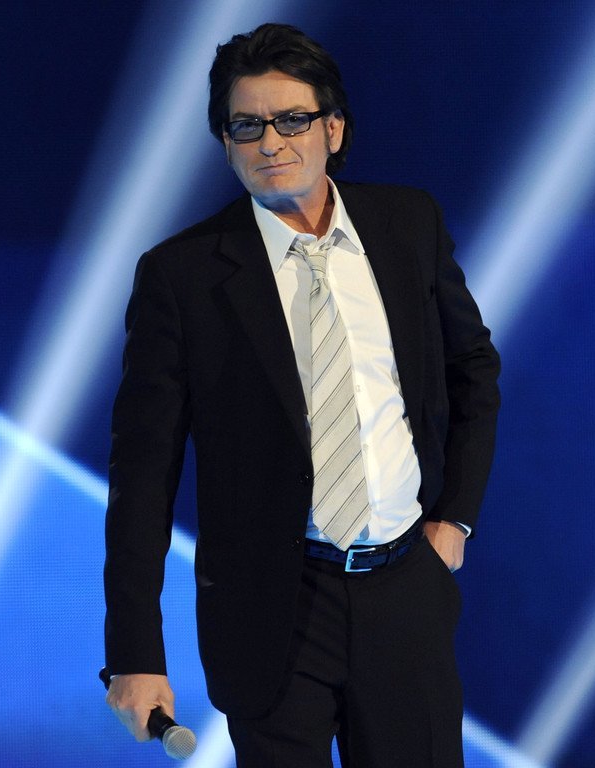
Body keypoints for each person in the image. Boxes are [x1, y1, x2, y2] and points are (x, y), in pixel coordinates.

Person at [103, 22, 501, 768]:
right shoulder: (182, 275)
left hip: (403, 590)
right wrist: (135, 652)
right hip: (270, 610)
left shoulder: (407, 224)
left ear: (333, 129)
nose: (270, 142)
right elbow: (143, 473)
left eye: (292, 120)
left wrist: (454, 520)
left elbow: (472, 370)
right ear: (226, 143)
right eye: (246, 126)